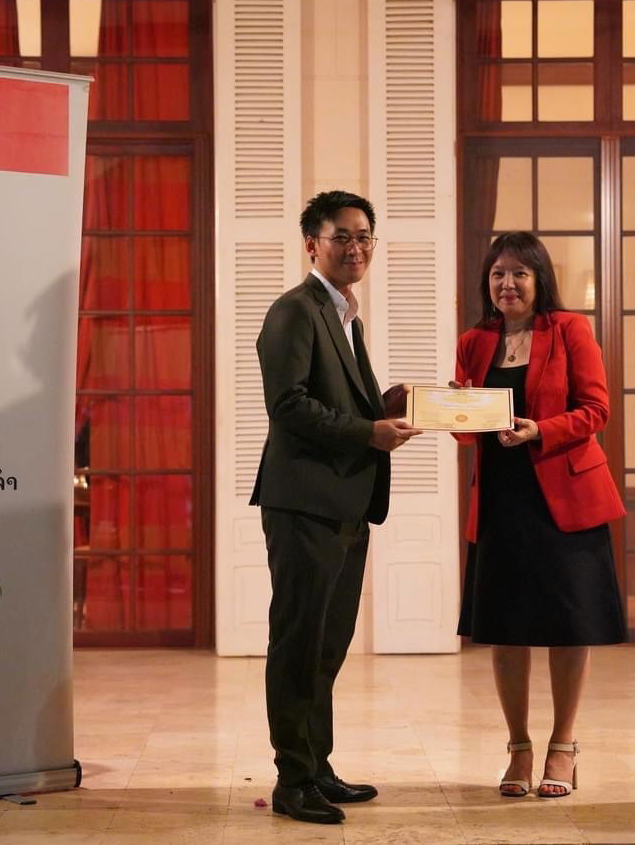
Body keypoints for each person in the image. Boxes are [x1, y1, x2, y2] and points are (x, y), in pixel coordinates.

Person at [251, 190, 421, 825]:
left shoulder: (344, 315)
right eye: (342, 236)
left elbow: (344, 404)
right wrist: (369, 434)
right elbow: (289, 406)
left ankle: (317, 767)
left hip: (344, 503)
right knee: (298, 643)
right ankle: (292, 780)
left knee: (327, 645)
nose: (356, 248)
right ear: (312, 244)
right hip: (304, 505)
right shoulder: (294, 311)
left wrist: (397, 402)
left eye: (365, 237)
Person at [453, 232, 626, 800]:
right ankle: (519, 749)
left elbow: (595, 409)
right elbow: (463, 427)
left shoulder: (570, 330)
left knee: (567, 625)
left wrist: (539, 431)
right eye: (498, 273)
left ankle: (564, 745)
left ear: (539, 280)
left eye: (519, 274)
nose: (507, 284)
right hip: (502, 501)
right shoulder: (474, 341)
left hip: (564, 499)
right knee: (505, 627)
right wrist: (451, 407)